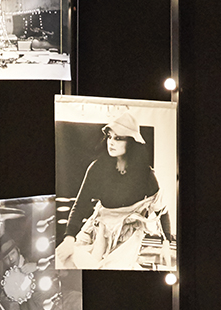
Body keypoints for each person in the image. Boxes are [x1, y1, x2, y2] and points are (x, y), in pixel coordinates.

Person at [55, 109, 173, 270]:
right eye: (109, 137)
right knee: (64, 259)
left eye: (118, 138)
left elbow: (162, 211)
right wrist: (69, 237)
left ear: (131, 142)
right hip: (99, 228)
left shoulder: (147, 175)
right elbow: (80, 204)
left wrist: (166, 243)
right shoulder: (97, 168)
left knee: (112, 268)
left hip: (128, 234)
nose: (111, 142)